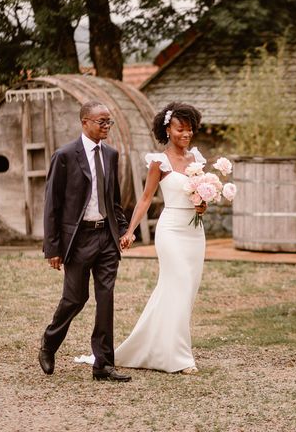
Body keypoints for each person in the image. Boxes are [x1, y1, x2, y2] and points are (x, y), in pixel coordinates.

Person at [77, 102, 207, 374]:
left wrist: (203, 204)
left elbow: (200, 197)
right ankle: (181, 357)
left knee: (184, 291)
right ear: (168, 130)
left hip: (195, 233)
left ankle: (159, 346)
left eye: (190, 129)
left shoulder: (196, 159)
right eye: (181, 129)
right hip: (170, 230)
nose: (187, 134)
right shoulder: (159, 162)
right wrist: (129, 230)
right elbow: (145, 199)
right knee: (180, 282)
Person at [39, 101, 131, 382]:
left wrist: (124, 230)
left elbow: (114, 200)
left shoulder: (111, 155)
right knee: (75, 298)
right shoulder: (65, 155)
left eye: (109, 122)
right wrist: (52, 247)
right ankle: (49, 344)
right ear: (85, 122)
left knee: (106, 298)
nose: (106, 127)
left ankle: (103, 364)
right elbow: (51, 204)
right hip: (78, 240)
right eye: (101, 122)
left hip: (106, 237)